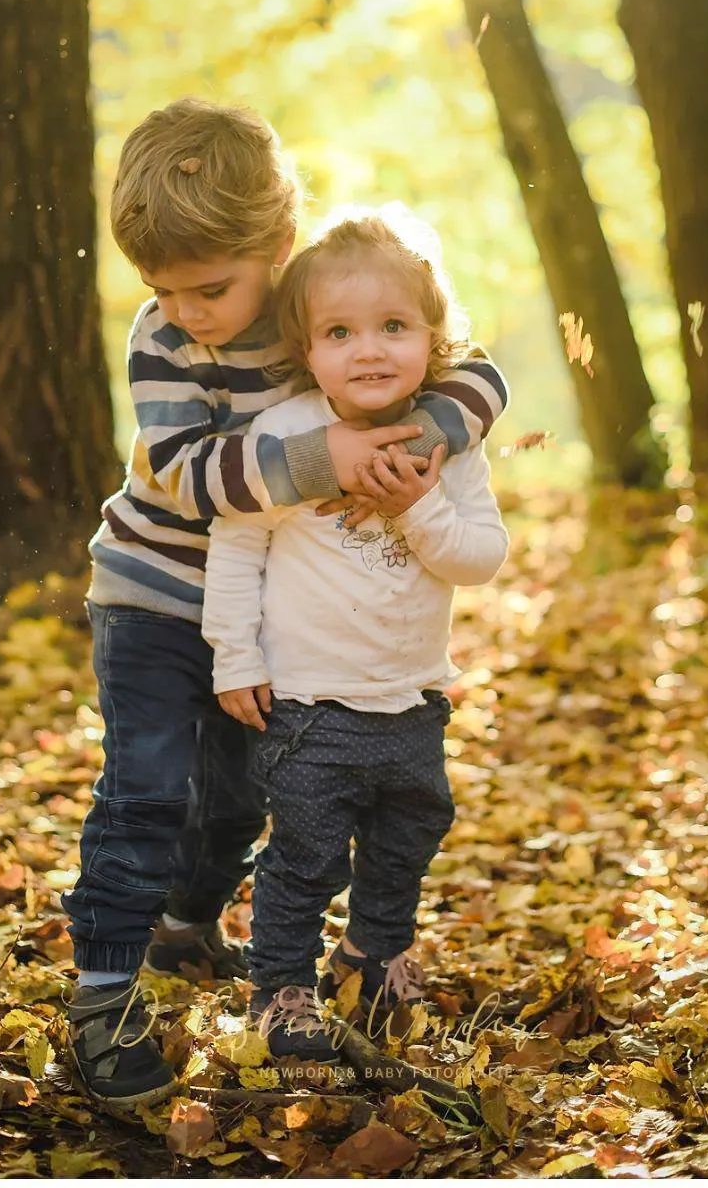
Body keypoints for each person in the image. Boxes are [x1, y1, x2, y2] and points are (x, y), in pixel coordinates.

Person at [61, 99, 507, 1110]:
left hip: (265, 616)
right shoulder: (165, 341)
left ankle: (185, 922)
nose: (184, 307)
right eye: (160, 289)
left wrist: (420, 435)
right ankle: (101, 994)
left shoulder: (331, 297)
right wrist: (331, 456)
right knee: (147, 788)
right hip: (149, 592)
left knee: (239, 794)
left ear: (275, 244)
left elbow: (475, 374)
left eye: (208, 287)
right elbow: (187, 473)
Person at [203, 209, 509, 1061]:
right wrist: (236, 655)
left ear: (433, 337)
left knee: (412, 833)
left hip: (412, 697)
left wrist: (418, 507)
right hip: (306, 702)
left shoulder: (451, 449)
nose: (369, 349)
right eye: (340, 332)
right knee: (303, 855)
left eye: (394, 327)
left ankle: (374, 956)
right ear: (305, 349)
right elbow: (235, 546)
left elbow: (480, 559)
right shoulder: (284, 440)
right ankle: (282, 991)